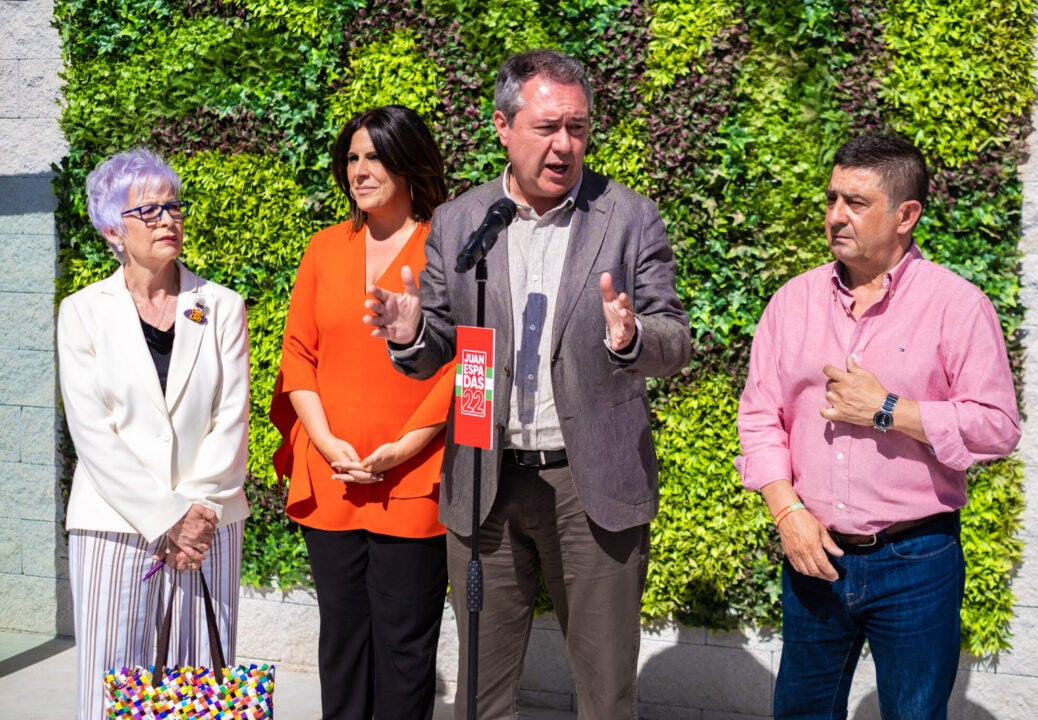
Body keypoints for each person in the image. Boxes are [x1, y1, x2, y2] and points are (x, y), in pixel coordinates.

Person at [364, 50, 691, 719]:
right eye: (547, 128)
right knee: (480, 693)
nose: (564, 145)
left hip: (590, 482)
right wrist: (407, 334)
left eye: (577, 127)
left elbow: (674, 340)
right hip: (485, 477)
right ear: (502, 126)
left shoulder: (628, 218)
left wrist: (629, 338)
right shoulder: (462, 221)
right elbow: (438, 348)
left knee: (605, 693)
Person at [735, 134, 1021, 719]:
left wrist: (889, 410)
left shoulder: (958, 306)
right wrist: (788, 514)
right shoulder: (792, 303)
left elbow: (997, 428)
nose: (836, 216)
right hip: (814, 555)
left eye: (857, 203)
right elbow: (760, 418)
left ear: (905, 216)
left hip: (916, 560)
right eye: (833, 198)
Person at [269, 105, 454, 720]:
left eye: (374, 156)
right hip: (333, 477)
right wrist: (322, 441)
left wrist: (403, 449)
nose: (360, 170)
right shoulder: (324, 248)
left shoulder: (448, 251)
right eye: (352, 157)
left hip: (415, 479)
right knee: (342, 642)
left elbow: (465, 362)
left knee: (405, 648)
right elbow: (297, 352)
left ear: (409, 162)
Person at [58, 148, 250, 719]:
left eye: (173, 207)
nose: (168, 219)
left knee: (198, 689)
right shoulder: (83, 311)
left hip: (208, 526)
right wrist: (166, 516)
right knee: (110, 683)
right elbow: (91, 431)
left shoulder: (220, 306)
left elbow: (232, 416)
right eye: (149, 211)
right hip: (112, 526)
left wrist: (194, 515)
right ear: (113, 229)